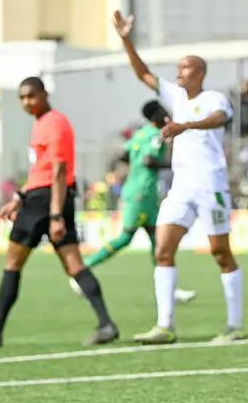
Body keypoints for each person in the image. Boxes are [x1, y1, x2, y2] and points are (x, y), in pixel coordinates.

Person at [112, 11, 243, 344]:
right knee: (163, 251)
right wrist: (126, 39)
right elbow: (142, 73)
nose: (178, 72)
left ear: (199, 72)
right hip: (181, 187)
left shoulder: (214, 98)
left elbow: (218, 119)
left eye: (184, 67)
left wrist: (185, 126)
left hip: (210, 184)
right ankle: (165, 326)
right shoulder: (174, 95)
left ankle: (234, 325)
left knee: (220, 253)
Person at [0, 77, 119, 347]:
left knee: (13, 263)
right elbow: (42, 171)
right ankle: (106, 324)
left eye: (31, 96)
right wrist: (18, 198)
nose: (27, 102)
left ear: (44, 94)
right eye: (23, 98)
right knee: (74, 265)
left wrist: (55, 215)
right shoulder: (41, 124)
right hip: (43, 197)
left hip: (45, 202)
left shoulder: (54, 123)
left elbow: (58, 171)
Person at [69, 100, 197, 304]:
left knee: (158, 241)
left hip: (140, 192)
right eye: (162, 110)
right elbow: (149, 161)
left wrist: (135, 168)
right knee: (126, 238)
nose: (166, 112)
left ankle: (168, 289)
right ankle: (82, 270)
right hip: (142, 194)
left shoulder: (140, 133)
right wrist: (175, 164)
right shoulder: (156, 135)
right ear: (155, 114)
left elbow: (123, 155)